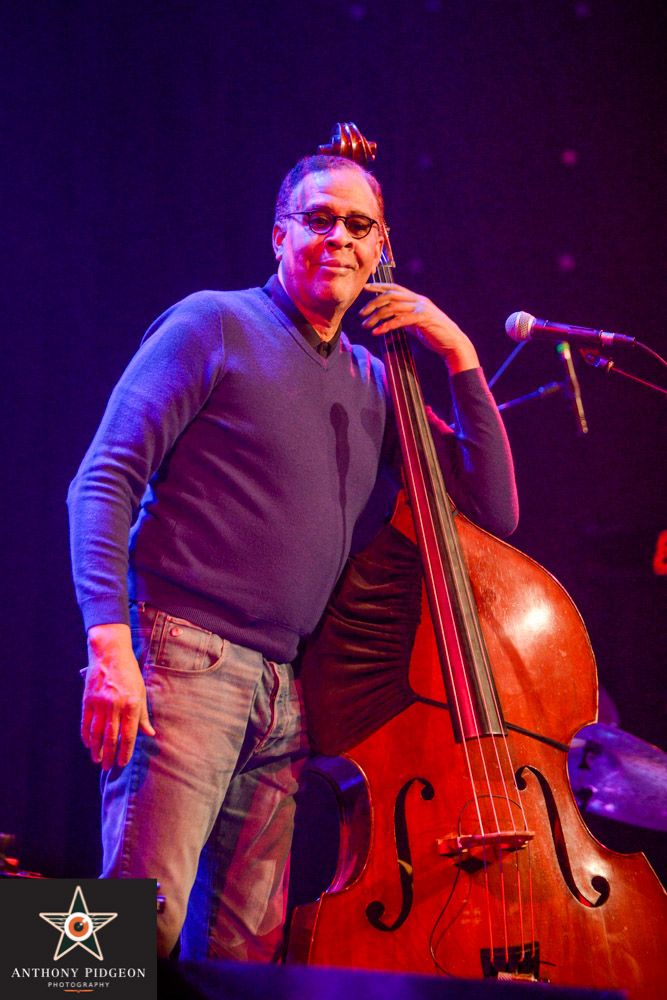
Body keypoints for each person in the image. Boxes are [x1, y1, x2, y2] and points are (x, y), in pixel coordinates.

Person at [67, 153, 518, 962]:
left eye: (359, 225)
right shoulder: (214, 322)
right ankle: (26, 978)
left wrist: (456, 354)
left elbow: (494, 511)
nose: (338, 237)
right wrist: (109, 646)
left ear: (381, 250)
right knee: (130, 928)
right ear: (279, 235)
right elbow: (102, 478)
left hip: (287, 691)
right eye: (317, 219)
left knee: (243, 951)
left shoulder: (379, 383)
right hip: (182, 657)